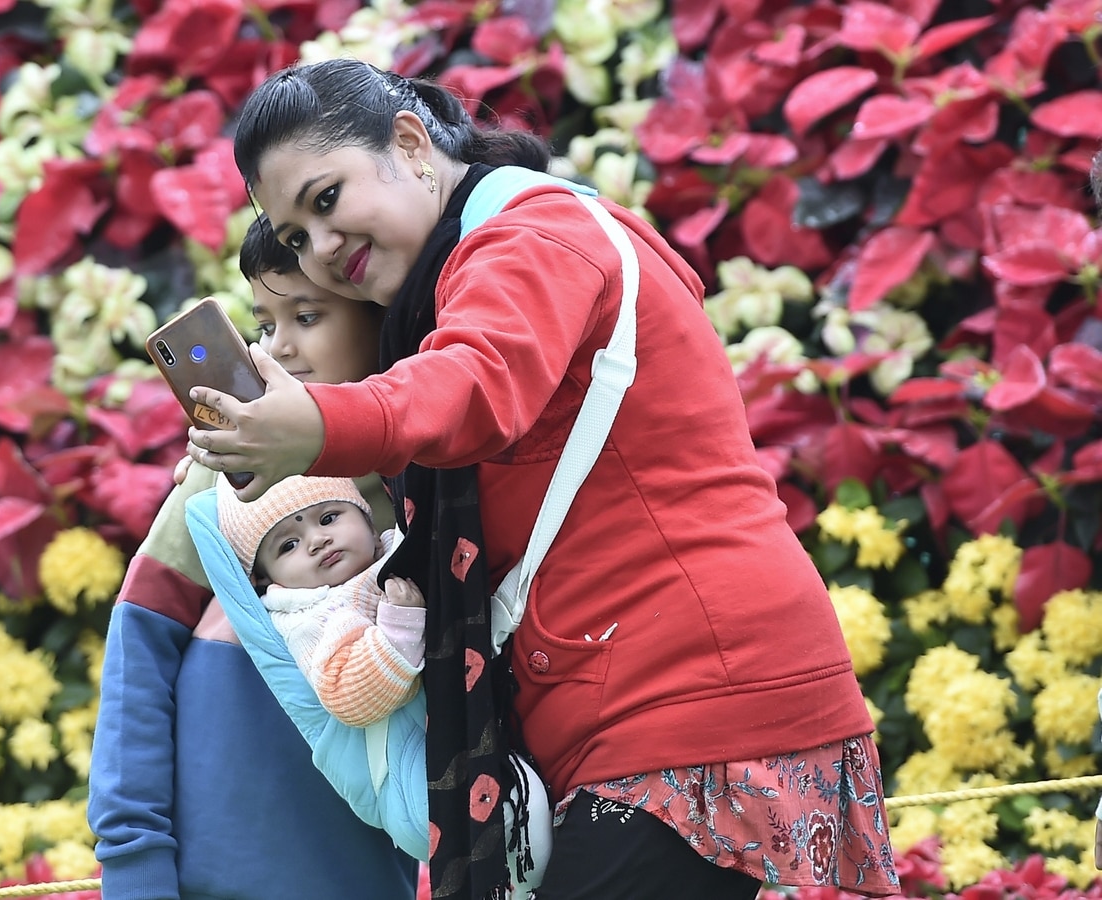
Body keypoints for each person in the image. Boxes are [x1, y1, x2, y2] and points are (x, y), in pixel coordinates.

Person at [183, 57, 902, 900]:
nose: (320, 246)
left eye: (327, 199)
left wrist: (314, 429)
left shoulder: (531, 236)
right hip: (644, 712)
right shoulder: (466, 276)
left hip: (693, 704)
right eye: (296, 235)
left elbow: (475, 386)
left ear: (410, 144)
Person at [87, 215, 418, 900]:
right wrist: (133, 857)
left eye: (307, 315)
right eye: (265, 325)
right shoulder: (229, 468)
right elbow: (141, 652)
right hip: (224, 867)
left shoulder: (433, 470)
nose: (280, 350)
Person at [217, 474, 424, 727]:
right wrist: (401, 626)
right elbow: (351, 701)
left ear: (368, 523)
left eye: (328, 519)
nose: (317, 541)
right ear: (266, 580)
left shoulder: (404, 542)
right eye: (289, 545)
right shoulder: (311, 620)